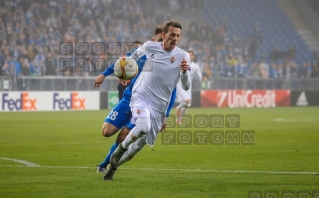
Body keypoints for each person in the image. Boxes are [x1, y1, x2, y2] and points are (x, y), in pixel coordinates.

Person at [103, 20, 190, 180]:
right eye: (172, 34)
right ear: (164, 35)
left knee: (135, 149)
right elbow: (133, 56)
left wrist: (184, 73)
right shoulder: (151, 46)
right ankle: (121, 148)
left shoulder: (183, 56)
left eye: (178, 36)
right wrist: (123, 70)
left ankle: (112, 168)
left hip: (159, 107)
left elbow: (185, 85)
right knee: (143, 126)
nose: (175, 38)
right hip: (141, 96)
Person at [175, 50, 202, 125]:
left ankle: (179, 120)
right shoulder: (182, 63)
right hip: (180, 85)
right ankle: (178, 107)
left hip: (189, 86)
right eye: (188, 54)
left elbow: (198, 76)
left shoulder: (195, 66)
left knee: (187, 106)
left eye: (191, 55)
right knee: (187, 101)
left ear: (193, 57)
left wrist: (202, 78)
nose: (190, 56)